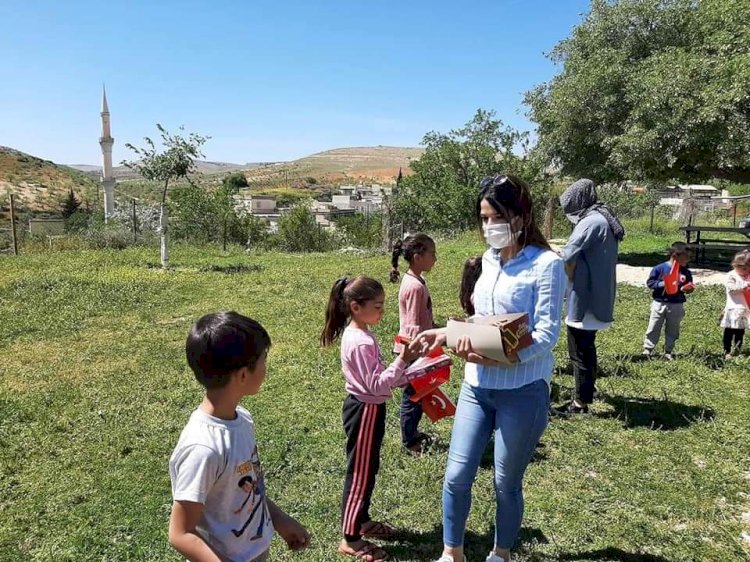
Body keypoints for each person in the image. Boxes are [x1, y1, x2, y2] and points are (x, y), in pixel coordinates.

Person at [418, 174, 564, 562]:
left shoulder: (547, 264)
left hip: (523, 390)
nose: (488, 228)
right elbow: (483, 317)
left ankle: (500, 553)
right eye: (483, 219)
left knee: (505, 481)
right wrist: (446, 334)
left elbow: (547, 335)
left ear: (520, 215)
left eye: (495, 218)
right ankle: (452, 552)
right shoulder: (487, 259)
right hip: (477, 386)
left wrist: (499, 355)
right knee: (456, 475)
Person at [168, 311, 310, 562]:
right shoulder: (203, 448)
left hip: (253, 551)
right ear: (243, 375)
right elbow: (180, 533)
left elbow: (248, 487)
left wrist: (277, 518)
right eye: (264, 360)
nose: (267, 367)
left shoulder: (241, 419)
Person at [321, 276, 426, 562]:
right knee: (360, 473)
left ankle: (362, 520)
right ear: (356, 307)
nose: (382, 312)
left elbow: (380, 378)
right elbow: (378, 384)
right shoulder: (360, 341)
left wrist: (413, 373)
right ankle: (351, 538)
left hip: (369, 407)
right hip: (365, 410)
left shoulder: (362, 334)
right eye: (378, 306)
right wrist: (403, 360)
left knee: (369, 466)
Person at [555, 178, 624, 415]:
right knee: (587, 347)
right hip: (598, 293)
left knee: (579, 351)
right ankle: (588, 389)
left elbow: (568, 255)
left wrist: (564, 269)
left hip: (585, 296)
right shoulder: (602, 217)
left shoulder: (591, 222)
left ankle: (579, 403)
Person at [390, 233, 439, 456]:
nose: (435, 259)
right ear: (418, 257)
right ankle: (409, 441)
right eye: (432, 254)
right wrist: (420, 352)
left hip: (416, 348)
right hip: (413, 350)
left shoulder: (415, 281)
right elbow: (412, 325)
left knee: (419, 395)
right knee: (413, 397)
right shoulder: (415, 287)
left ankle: (414, 433)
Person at [642, 242, 695, 360]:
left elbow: (688, 285)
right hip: (659, 302)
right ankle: (647, 349)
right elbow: (650, 283)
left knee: (673, 327)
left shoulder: (685, 272)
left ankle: (668, 350)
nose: (688, 260)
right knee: (654, 326)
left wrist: (688, 289)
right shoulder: (659, 268)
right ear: (675, 256)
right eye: (686, 257)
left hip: (677, 304)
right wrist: (663, 283)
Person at [720, 249, 750, 359]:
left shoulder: (747, 276)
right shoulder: (731, 275)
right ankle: (726, 351)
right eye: (744, 269)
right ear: (735, 265)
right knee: (729, 331)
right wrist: (745, 285)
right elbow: (731, 289)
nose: (746, 271)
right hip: (733, 309)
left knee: (740, 332)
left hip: (743, 309)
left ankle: (737, 350)